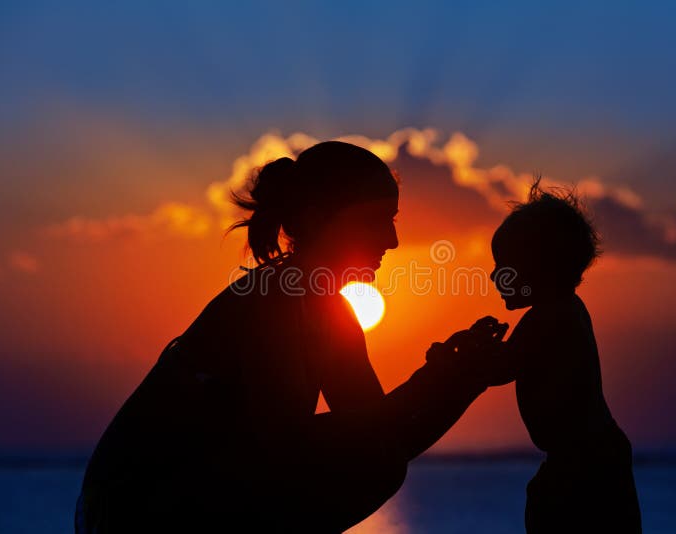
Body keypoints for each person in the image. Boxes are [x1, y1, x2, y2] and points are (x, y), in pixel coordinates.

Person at [75, 141, 511, 533]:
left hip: (200, 497)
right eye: (375, 221)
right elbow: (291, 448)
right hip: (136, 514)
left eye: (392, 221)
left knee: (380, 462)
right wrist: (438, 381)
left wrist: (458, 379)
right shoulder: (274, 302)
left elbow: (376, 433)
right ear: (315, 218)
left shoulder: (328, 308)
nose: (393, 241)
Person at [487, 179, 642, 533]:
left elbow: (499, 370)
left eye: (505, 267)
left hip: (584, 461)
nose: (495, 276)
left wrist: (463, 357)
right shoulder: (566, 310)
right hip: (595, 454)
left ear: (540, 269)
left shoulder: (549, 317)